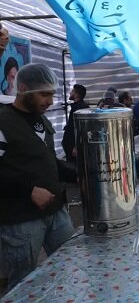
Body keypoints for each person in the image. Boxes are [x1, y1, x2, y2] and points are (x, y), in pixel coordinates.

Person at [0, 63, 75, 290]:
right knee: (24, 283)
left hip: (55, 211)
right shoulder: (3, 122)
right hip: (21, 220)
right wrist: (28, 190)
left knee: (71, 265)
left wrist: (78, 175)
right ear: (23, 88)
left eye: (51, 94)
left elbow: (49, 161)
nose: (50, 101)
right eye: (44, 94)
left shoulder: (41, 121)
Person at [61, 84, 89, 161]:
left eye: (72, 91)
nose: (70, 93)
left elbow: (83, 129)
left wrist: (77, 146)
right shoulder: (76, 106)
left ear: (76, 94)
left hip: (73, 146)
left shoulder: (80, 108)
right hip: (70, 143)